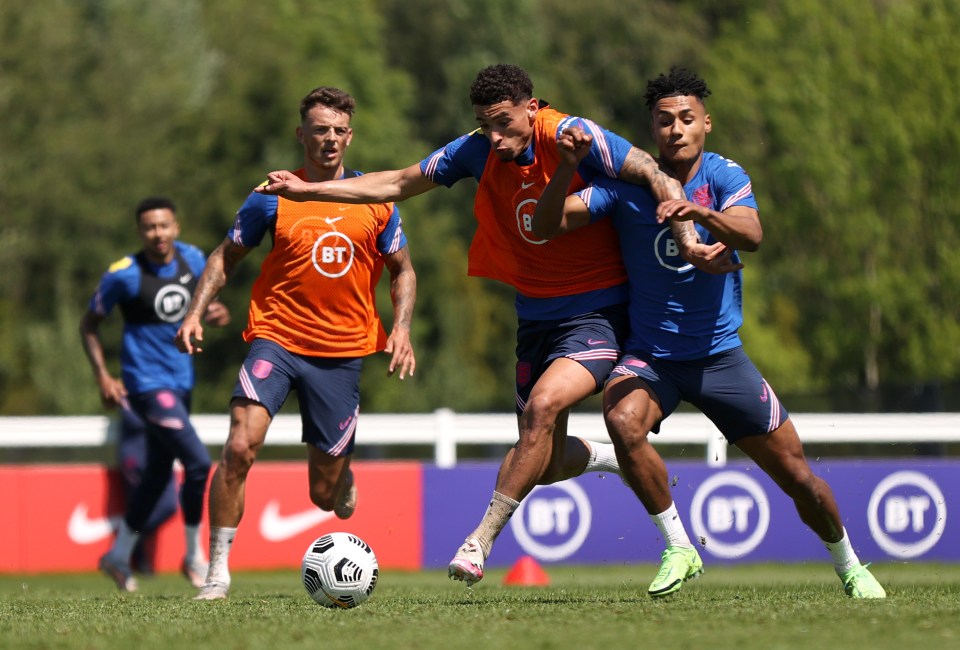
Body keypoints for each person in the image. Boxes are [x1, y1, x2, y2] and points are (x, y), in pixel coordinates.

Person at [256, 64, 729, 586]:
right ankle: (598, 456)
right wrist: (309, 191)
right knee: (542, 459)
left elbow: (654, 173)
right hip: (535, 315)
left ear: (532, 108)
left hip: (600, 312)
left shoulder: (574, 134)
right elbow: (395, 182)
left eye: (504, 123)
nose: (496, 138)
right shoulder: (476, 149)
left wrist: (687, 242)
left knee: (545, 406)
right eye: (486, 125)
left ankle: (478, 541)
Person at [531, 67, 886, 599]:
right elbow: (547, 224)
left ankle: (851, 565)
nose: (676, 129)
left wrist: (698, 210)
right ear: (652, 128)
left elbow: (753, 234)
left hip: (721, 360)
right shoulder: (627, 188)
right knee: (622, 419)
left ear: (707, 125)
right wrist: (565, 168)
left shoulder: (721, 176)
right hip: (653, 357)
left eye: (686, 119)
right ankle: (679, 546)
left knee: (798, 478)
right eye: (664, 120)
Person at [175, 86, 417, 600]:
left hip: (343, 352)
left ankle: (341, 477)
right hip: (277, 339)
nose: (328, 139)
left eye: (338, 131)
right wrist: (194, 312)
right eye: (319, 129)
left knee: (323, 493)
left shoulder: (374, 198)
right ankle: (217, 570)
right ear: (300, 133)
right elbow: (224, 257)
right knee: (239, 445)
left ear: (349, 136)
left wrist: (401, 328)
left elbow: (403, 270)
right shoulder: (272, 194)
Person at [80, 196, 231, 592]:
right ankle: (194, 556)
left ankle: (117, 555)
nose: (157, 233)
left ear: (176, 227)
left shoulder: (194, 260)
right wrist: (103, 377)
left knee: (157, 474)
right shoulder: (124, 275)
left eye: (164, 225)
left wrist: (216, 313)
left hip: (182, 382)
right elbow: (89, 325)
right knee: (198, 464)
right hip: (146, 385)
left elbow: (207, 304)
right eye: (149, 227)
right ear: (140, 232)